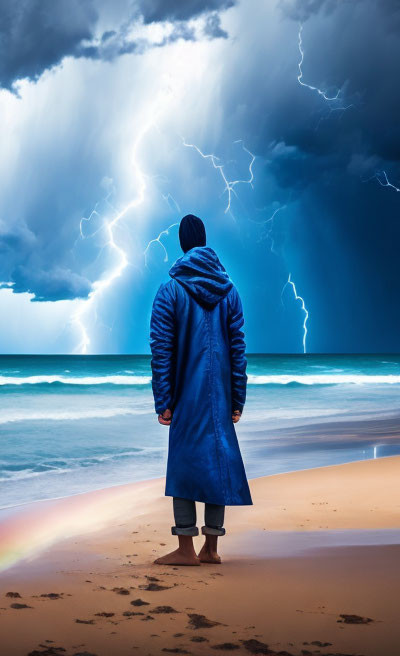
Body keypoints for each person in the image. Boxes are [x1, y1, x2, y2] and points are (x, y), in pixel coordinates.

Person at [149, 213, 252, 566]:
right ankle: (211, 548)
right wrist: (237, 398)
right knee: (216, 461)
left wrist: (163, 399)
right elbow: (238, 349)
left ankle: (184, 549)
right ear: (205, 241)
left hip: (185, 395)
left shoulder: (170, 290)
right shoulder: (230, 291)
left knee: (184, 465)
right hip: (220, 395)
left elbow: (161, 349)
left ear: (181, 243)